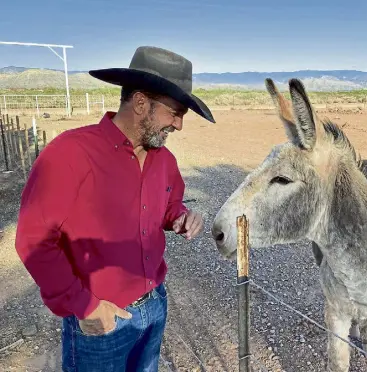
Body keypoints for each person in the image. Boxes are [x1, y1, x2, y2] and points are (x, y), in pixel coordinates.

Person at [14, 46, 216, 371]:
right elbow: (33, 240)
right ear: (140, 103)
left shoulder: (164, 159)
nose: (179, 125)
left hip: (155, 307)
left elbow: (168, 205)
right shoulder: (70, 154)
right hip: (102, 319)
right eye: (175, 112)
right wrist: (84, 305)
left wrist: (180, 217)